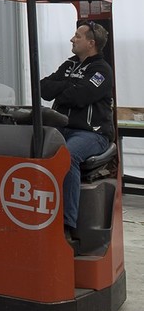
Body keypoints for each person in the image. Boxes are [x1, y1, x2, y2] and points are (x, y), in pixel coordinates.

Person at [40, 21, 114, 239]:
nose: (72, 39)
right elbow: (43, 88)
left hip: (92, 134)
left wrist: (62, 88)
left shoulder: (102, 70)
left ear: (91, 43)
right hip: (61, 129)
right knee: (31, 148)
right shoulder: (70, 64)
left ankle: (67, 224)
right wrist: (68, 86)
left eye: (77, 36)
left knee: (68, 156)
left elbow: (81, 97)